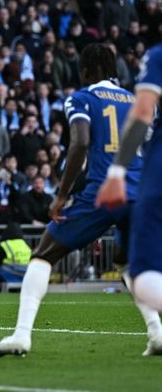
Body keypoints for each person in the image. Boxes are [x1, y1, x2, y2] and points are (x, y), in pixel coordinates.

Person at [0, 43, 161, 357]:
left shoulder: (82, 98)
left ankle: (21, 335)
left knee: (44, 253)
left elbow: (79, 143)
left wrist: (62, 195)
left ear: (86, 70)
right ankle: (156, 333)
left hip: (104, 189)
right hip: (140, 191)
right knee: (127, 261)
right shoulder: (136, 100)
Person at [97, 43, 162, 355]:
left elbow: (143, 109)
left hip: (148, 177)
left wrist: (116, 172)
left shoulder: (157, 56)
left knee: (144, 276)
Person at [0, 222, 32, 287]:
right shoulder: (25, 244)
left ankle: (0, 288)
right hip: (27, 273)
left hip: (10, 272)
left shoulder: (5, 244)